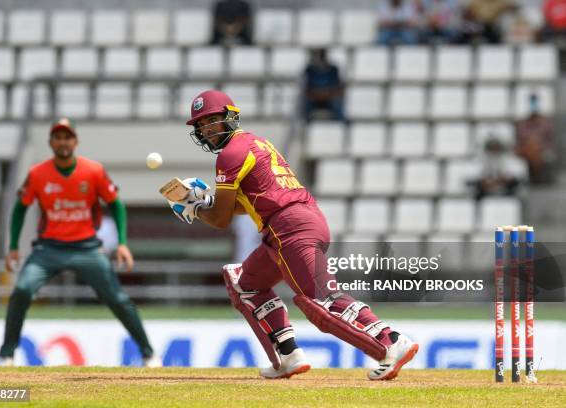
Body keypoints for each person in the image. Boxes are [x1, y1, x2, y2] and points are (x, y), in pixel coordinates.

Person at [169, 90, 418, 380]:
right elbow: (246, 204)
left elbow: (221, 220)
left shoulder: (229, 154)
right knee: (245, 283)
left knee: (321, 300)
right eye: (202, 125)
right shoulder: (257, 142)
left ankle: (391, 340)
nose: (208, 130)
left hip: (289, 228)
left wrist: (195, 208)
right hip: (295, 223)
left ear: (230, 118)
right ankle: (288, 356)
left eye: (213, 120)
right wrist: (207, 202)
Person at [0, 118, 159, 367]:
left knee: (117, 298)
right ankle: (7, 355)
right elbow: (20, 209)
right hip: (48, 248)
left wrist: (123, 243)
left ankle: (149, 354)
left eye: (67, 137)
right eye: (58, 137)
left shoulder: (92, 170)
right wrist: (13, 248)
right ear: (51, 142)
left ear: (76, 141)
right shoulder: (38, 173)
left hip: (86, 248)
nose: (63, 142)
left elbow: (116, 204)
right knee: (22, 290)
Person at [515, 93, 556, 184]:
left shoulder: (545, 123)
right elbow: (520, 140)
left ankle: (535, 175)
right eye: (531, 102)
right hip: (526, 150)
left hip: (540, 149)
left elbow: (549, 140)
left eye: (534, 102)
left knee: (534, 148)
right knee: (531, 147)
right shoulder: (523, 123)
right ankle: (535, 175)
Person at [302, 49, 345, 122]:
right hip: (314, 98)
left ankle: (341, 127)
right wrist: (317, 94)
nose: (321, 59)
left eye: (322, 56)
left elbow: (338, 88)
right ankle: (305, 127)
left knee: (338, 106)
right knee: (305, 106)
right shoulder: (309, 70)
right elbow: (306, 89)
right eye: (319, 56)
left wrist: (326, 94)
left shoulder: (333, 69)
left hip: (330, 98)